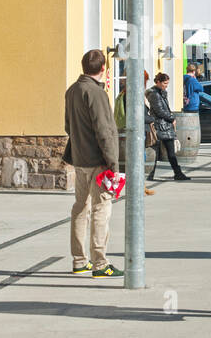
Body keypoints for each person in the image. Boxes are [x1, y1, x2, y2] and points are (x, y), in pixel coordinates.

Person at [64, 49, 123, 278]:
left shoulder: (72, 91)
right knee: (101, 209)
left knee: (80, 206)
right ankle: (100, 263)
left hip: (79, 159)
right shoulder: (97, 93)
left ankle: (79, 260)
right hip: (99, 161)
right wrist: (113, 164)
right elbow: (104, 132)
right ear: (103, 69)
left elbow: (68, 126)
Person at [115, 72, 156, 197]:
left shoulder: (125, 93)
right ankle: (138, 188)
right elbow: (139, 116)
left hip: (135, 133)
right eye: (145, 81)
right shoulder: (133, 95)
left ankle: (140, 186)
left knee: (138, 160)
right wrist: (151, 119)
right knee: (138, 161)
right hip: (137, 133)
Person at [147, 72, 190, 182]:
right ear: (158, 82)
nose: (166, 85)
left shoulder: (161, 92)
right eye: (165, 83)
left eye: (167, 83)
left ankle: (177, 173)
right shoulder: (154, 94)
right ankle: (151, 174)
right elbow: (159, 110)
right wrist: (171, 118)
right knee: (157, 152)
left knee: (169, 151)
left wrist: (170, 118)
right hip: (160, 125)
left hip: (164, 125)